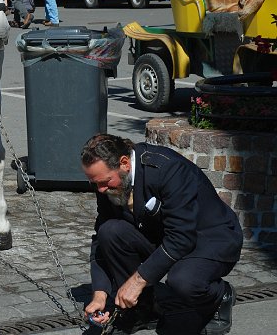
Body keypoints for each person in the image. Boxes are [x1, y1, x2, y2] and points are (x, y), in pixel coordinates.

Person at [81, 133, 242, 335]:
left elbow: (181, 238)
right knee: (110, 231)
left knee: (183, 281)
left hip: (210, 237)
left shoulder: (168, 169)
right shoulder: (106, 180)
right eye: (94, 183)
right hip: (165, 233)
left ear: (124, 163)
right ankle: (142, 309)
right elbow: (100, 235)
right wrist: (100, 293)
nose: (101, 189)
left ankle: (220, 296)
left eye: (104, 182)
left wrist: (137, 281)